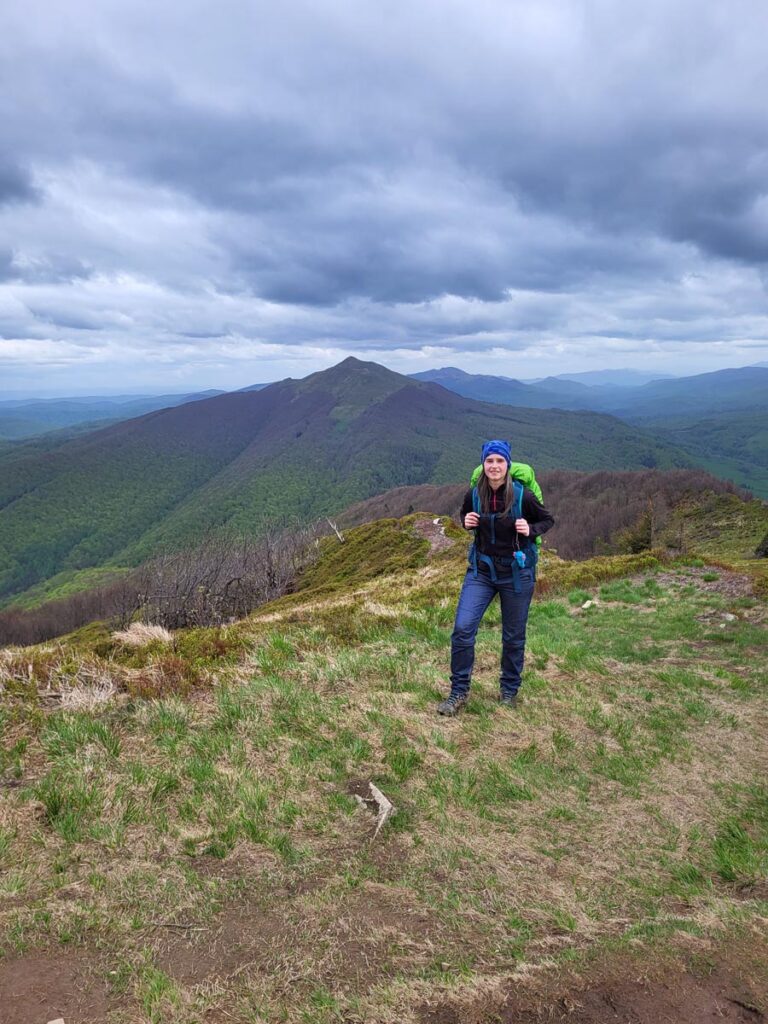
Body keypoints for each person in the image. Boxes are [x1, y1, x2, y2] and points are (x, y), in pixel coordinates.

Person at [438, 440, 554, 716]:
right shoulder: (474, 493)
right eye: (489, 461)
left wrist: (530, 529)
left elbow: (547, 520)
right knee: (463, 629)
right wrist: (465, 521)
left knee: (513, 637)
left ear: (508, 465)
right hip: (482, 571)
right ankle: (458, 692)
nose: (494, 466)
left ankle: (509, 691)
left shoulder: (522, 496)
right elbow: (465, 513)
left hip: (516, 573)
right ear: (483, 464)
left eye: (499, 461)